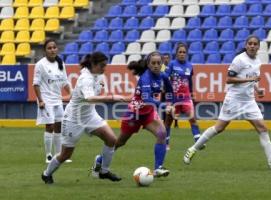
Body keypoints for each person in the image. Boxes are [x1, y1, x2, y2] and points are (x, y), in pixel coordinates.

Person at [183, 35, 271, 170]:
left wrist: (257, 89)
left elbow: (252, 78)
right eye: (250, 43)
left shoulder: (258, 61)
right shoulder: (239, 60)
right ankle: (192, 149)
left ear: (258, 47)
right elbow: (228, 79)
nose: (252, 46)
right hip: (234, 99)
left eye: (255, 44)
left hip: (249, 100)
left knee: (262, 128)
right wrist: (249, 79)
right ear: (246, 45)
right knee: (219, 128)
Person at [41, 52, 124, 184]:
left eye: (105, 65)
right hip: (74, 119)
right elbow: (89, 98)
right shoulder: (86, 78)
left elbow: (97, 90)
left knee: (111, 139)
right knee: (65, 155)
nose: (104, 69)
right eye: (102, 65)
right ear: (94, 65)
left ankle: (103, 171)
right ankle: (46, 174)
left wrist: (102, 88)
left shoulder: (98, 74)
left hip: (90, 115)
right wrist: (113, 97)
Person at [92, 52, 173, 177]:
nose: (156, 65)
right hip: (134, 114)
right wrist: (163, 106)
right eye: (153, 63)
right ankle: (100, 159)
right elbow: (147, 99)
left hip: (148, 113)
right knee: (120, 142)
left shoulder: (163, 75)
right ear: (148, 64)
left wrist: (169, 103)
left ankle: (158, 168)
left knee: (162, 133)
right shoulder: (145, 78)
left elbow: (169, 90)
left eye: (159, 63)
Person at [33, 38, 72, 164]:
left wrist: (71, 93)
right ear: (45, 51)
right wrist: (40, 100)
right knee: (49, 126)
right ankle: (48, 155)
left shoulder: (61, 63)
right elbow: (36, 84)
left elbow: (65, 82)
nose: (52, 50)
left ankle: (59, 154)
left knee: (59, 126)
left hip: (57, 99)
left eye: (54, 47)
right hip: (46, 100)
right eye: (49, 48)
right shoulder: (40, 64)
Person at [164, 43, 201, 150]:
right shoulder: (171, 64)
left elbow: (189, 81)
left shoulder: (189, 66)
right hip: (173, 98)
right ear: (176, 53)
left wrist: (192, 92)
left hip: (185, 97)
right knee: (168, 121)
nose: (182, 54)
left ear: (187, 54)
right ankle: (165, 143)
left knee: (192, 118)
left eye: (184, 52)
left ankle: (198, 142)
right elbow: (165, 76)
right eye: (180, 52)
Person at [161, 53, 179, 129]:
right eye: (164, 58)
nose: (166, 59)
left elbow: (176, 77)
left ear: (169, 59)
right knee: (164, 105)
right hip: (164, 89)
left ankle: (176, 122)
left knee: (174, 106)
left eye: (167, 58)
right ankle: (164, 121)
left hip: (172, 89)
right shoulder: (161, 67)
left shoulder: (173, 66)